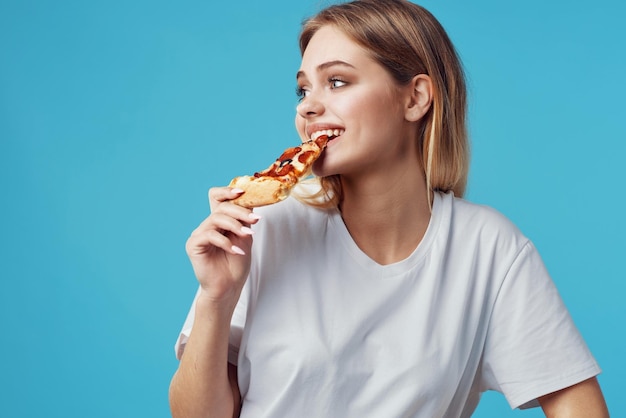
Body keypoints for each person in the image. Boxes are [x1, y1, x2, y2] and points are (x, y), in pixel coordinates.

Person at [169, 0, 609, 416]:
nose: (308, 106)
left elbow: (574, 398)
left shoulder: (488, 249)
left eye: (336, 81)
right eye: (302, 89)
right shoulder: (262, 232)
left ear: (416, 97)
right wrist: (217, 295)